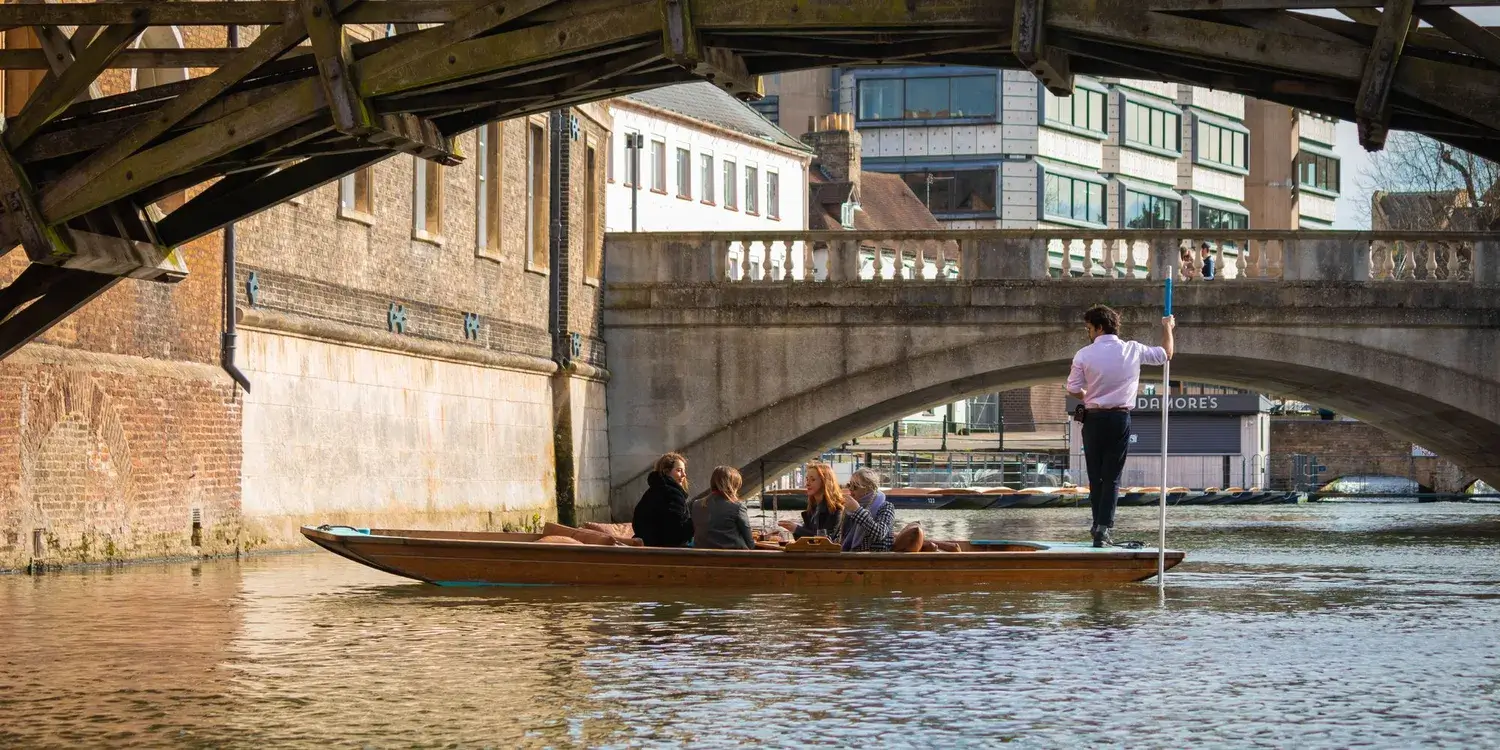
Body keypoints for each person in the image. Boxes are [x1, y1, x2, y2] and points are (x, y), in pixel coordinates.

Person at [1065, 305, 1175, 547]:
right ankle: (1103, 528)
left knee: (1096, 476)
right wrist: (1167, 327)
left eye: (1089, 329)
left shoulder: (1084, 354)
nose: (1089, 333)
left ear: (1099, 327)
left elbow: (1072, 389)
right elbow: (1166, 354)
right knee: (1112, 477)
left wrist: (1088, 396)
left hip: (1093, 418)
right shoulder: (1132, 349)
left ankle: (1097, 525)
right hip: (1119, 419)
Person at [632, 452, 694, 547]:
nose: (684, 475)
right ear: (666, 472)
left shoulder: (650, 492)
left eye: (684, 471)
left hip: (648, 550)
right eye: (679, 470)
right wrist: (695, 524)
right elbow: (676, 531)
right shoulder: (673, 494)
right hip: (667, 553)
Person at [691, 466, 755, 550]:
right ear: (733, 485)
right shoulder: (737, 506)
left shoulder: (696, 505)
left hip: (703, 558)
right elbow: (749, 541)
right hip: (733, 557)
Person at [836, 468, 896, 552]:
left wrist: (857, 511)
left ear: (868, 489)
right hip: (850, 557)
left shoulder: (886, 506)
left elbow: (879, 533)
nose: (850, 489)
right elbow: (842, 536)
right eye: (849, 485)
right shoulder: (850, 509)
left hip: (874, 559)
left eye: (855, 486)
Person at [780, 462, 843, 540]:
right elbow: (806, 537)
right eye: (807, 479)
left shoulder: (835, 508)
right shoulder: (813, 508)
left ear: (824, 482)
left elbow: (826, 539)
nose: (807, 484)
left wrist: (796, 529)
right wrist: (792, 530)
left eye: (812, 480)